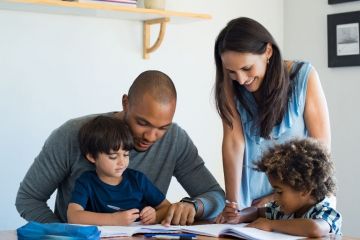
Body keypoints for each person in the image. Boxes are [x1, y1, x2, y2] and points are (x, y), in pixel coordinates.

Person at [16, 70, 225, 225]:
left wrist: (194, 206)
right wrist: (64, 235)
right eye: (142, 123)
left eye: (162, 128)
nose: (151, 137)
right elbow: (28, 199)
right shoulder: (72, 134)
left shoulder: (175, 139)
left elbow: (215, 195)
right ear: (126, 103)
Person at [213, 17, 331, 222]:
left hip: (299, 203)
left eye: (247, 68)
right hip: (250, 206)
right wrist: (232, 205)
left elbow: (320, 153)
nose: (241, 79)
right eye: (232, 71)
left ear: (268, 51)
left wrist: (275, 196)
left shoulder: (304, 77)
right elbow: (233, 143)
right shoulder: (231, 87)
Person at [67, 116, 171, 226]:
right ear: (92, 157)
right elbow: (73, 216)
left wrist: (155, 216)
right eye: (113, 156)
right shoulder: (86, 181)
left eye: (126, 155)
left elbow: (166, 207)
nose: (122, 162)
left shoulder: (138, 180)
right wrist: (113, 219)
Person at [230, 138, 342, 237]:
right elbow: (257, 212)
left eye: (279, 191)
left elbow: (314, 228)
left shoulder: (326, 211)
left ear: (305, 190)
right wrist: (239, 216)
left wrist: (271, 224)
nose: (275, 197)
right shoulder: (282, 211)